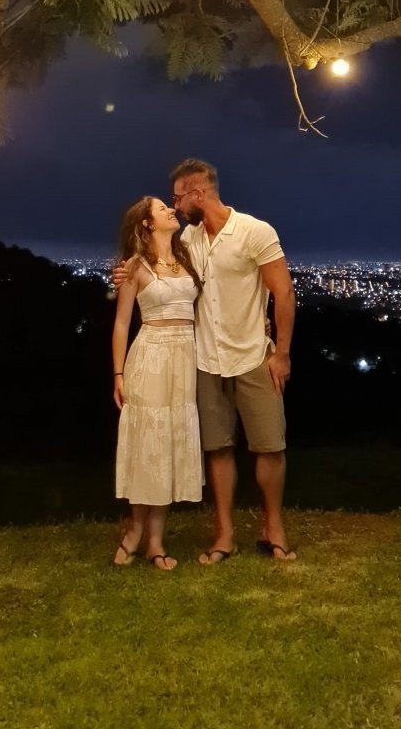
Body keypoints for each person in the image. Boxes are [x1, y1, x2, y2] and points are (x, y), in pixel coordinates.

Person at [115, 159, 297, 563]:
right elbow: (153, 267)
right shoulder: (188, 240)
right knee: (218, 449)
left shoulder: (254, 231)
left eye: (179, 198)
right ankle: (224, 536)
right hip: (206, 361)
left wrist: (282, 353)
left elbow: (284, 293)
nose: (176, 206)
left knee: (269, 446)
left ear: (198, 193)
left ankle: (274, 528)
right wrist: (124, 275)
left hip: (253, 356)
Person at [111, 195, 204, 571]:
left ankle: (156, 541)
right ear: (147, 224)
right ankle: (135, 531)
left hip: (183, 358)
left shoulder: (186, 257)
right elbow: (121, 324)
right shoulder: (135, 266)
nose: (171, 210)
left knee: (169, 444)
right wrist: (118, 374)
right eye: (162, 208)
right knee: (148, 443)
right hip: (150, 356)